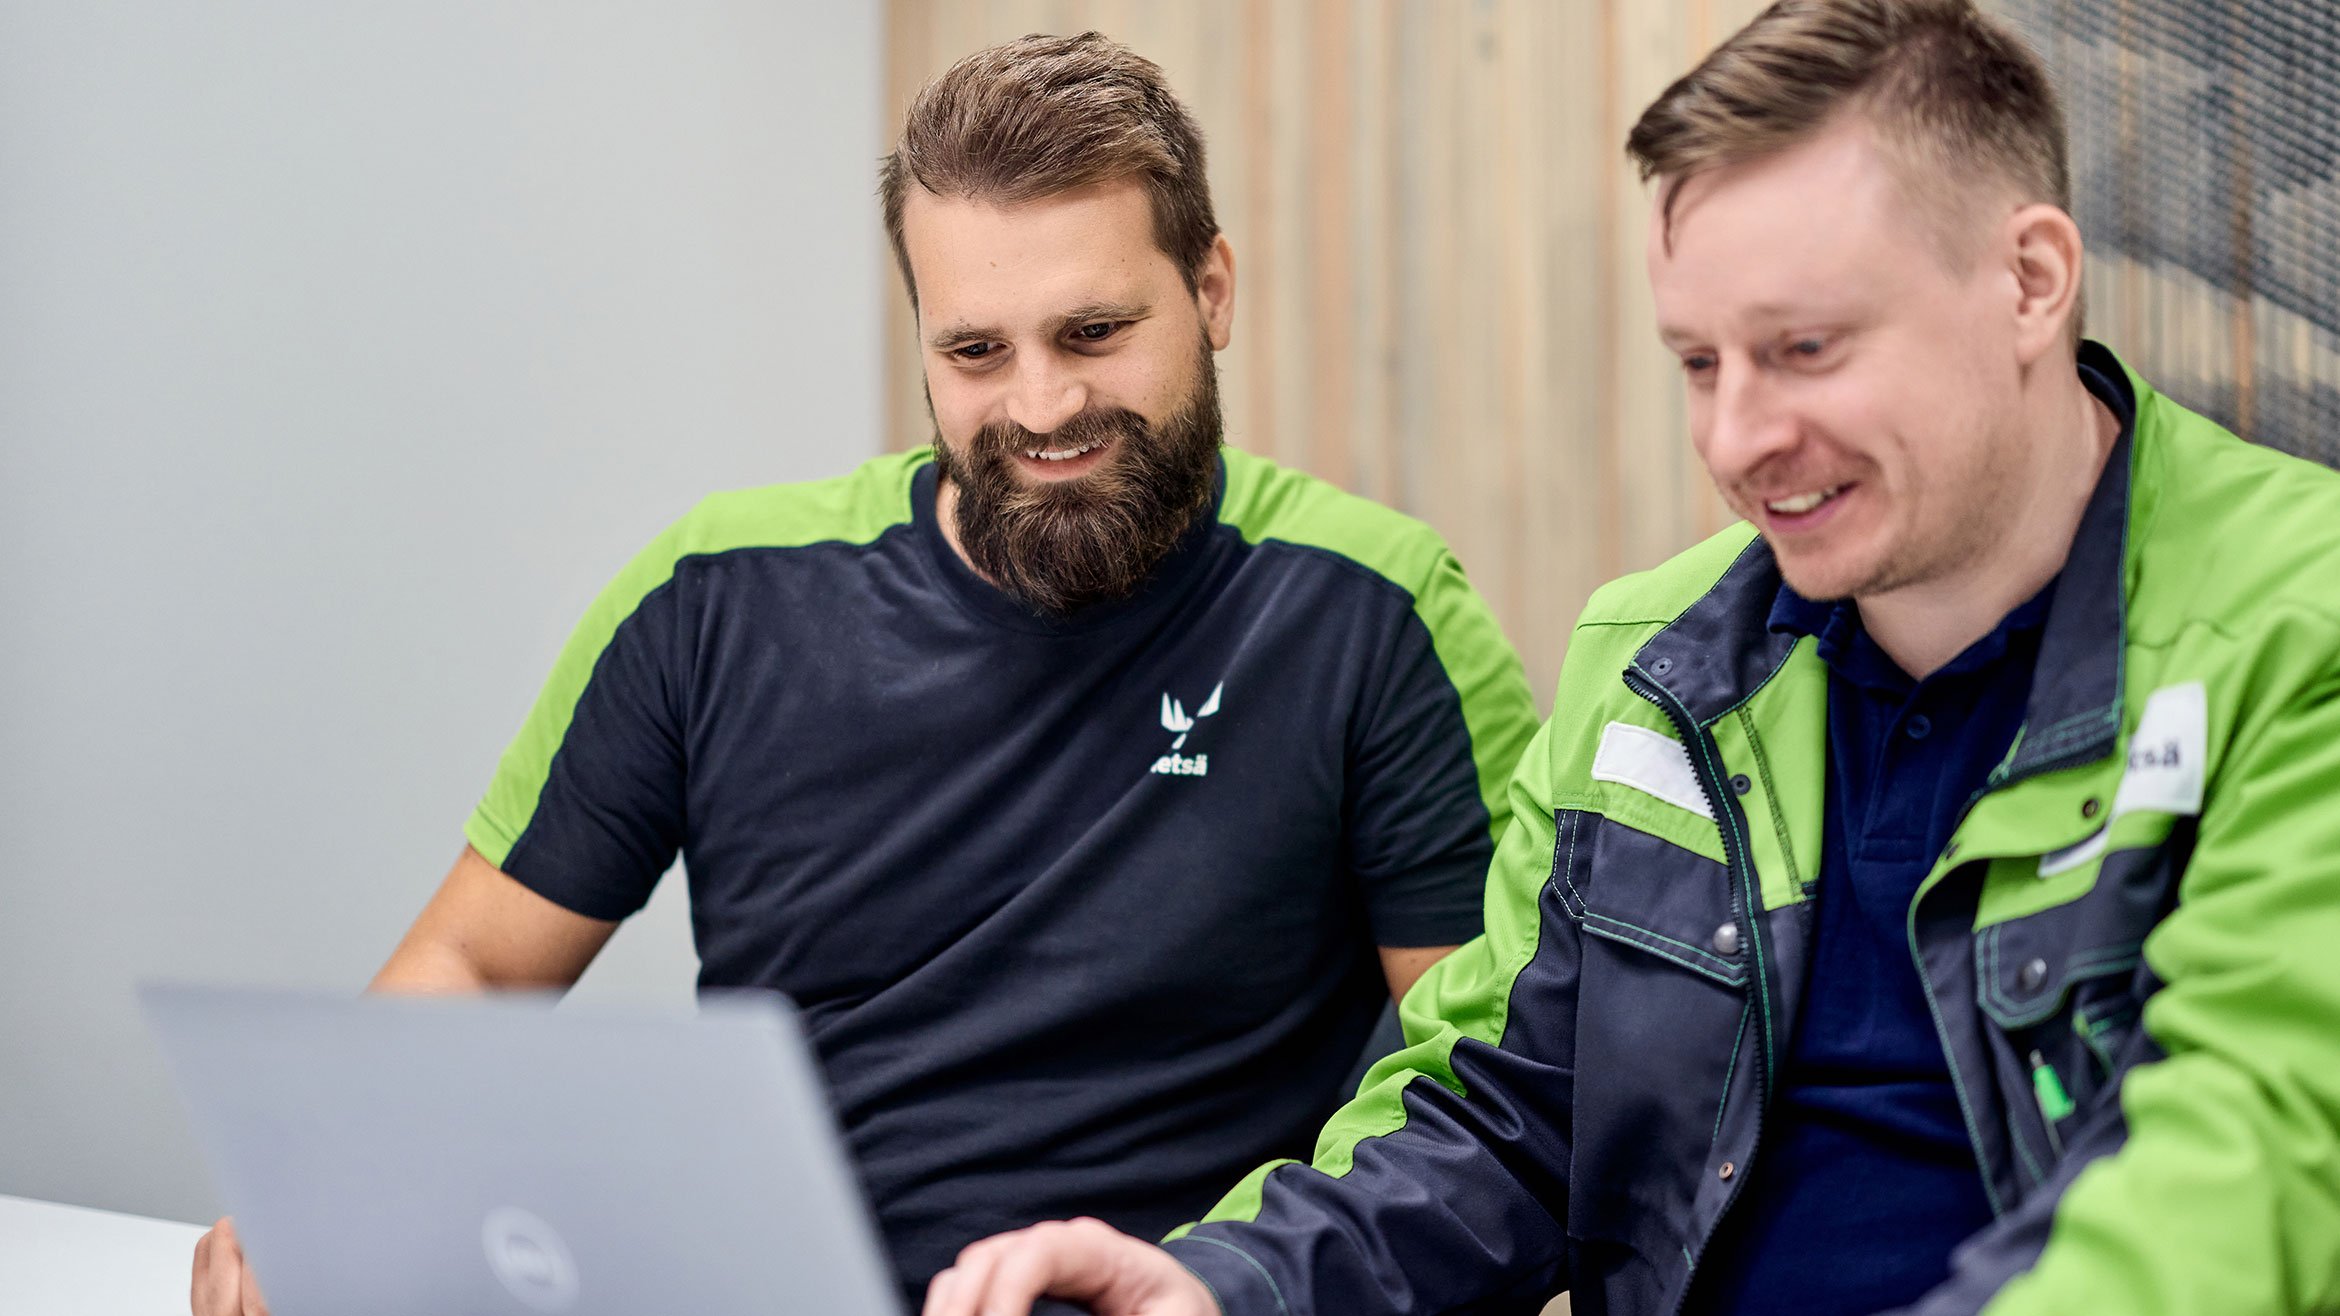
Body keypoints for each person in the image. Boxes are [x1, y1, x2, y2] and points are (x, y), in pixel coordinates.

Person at [925, 3, 2340, 1314]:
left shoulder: (2300, 628)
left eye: (1803, 348)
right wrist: (1227, 1291)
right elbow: (1499, 1113)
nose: (1736, 441)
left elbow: (2249, 1162)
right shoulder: (1655, 662)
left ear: (2031, 282)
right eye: (1700, 365)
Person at [187, 32, 1540, 1316]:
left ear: (1213, 292)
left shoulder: (1376, 612)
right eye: (975, 352)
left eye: (1092, 334)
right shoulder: (715, 595)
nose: (1042, 407)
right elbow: (478, 968)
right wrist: (325, 1186)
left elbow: (1488, 1105)